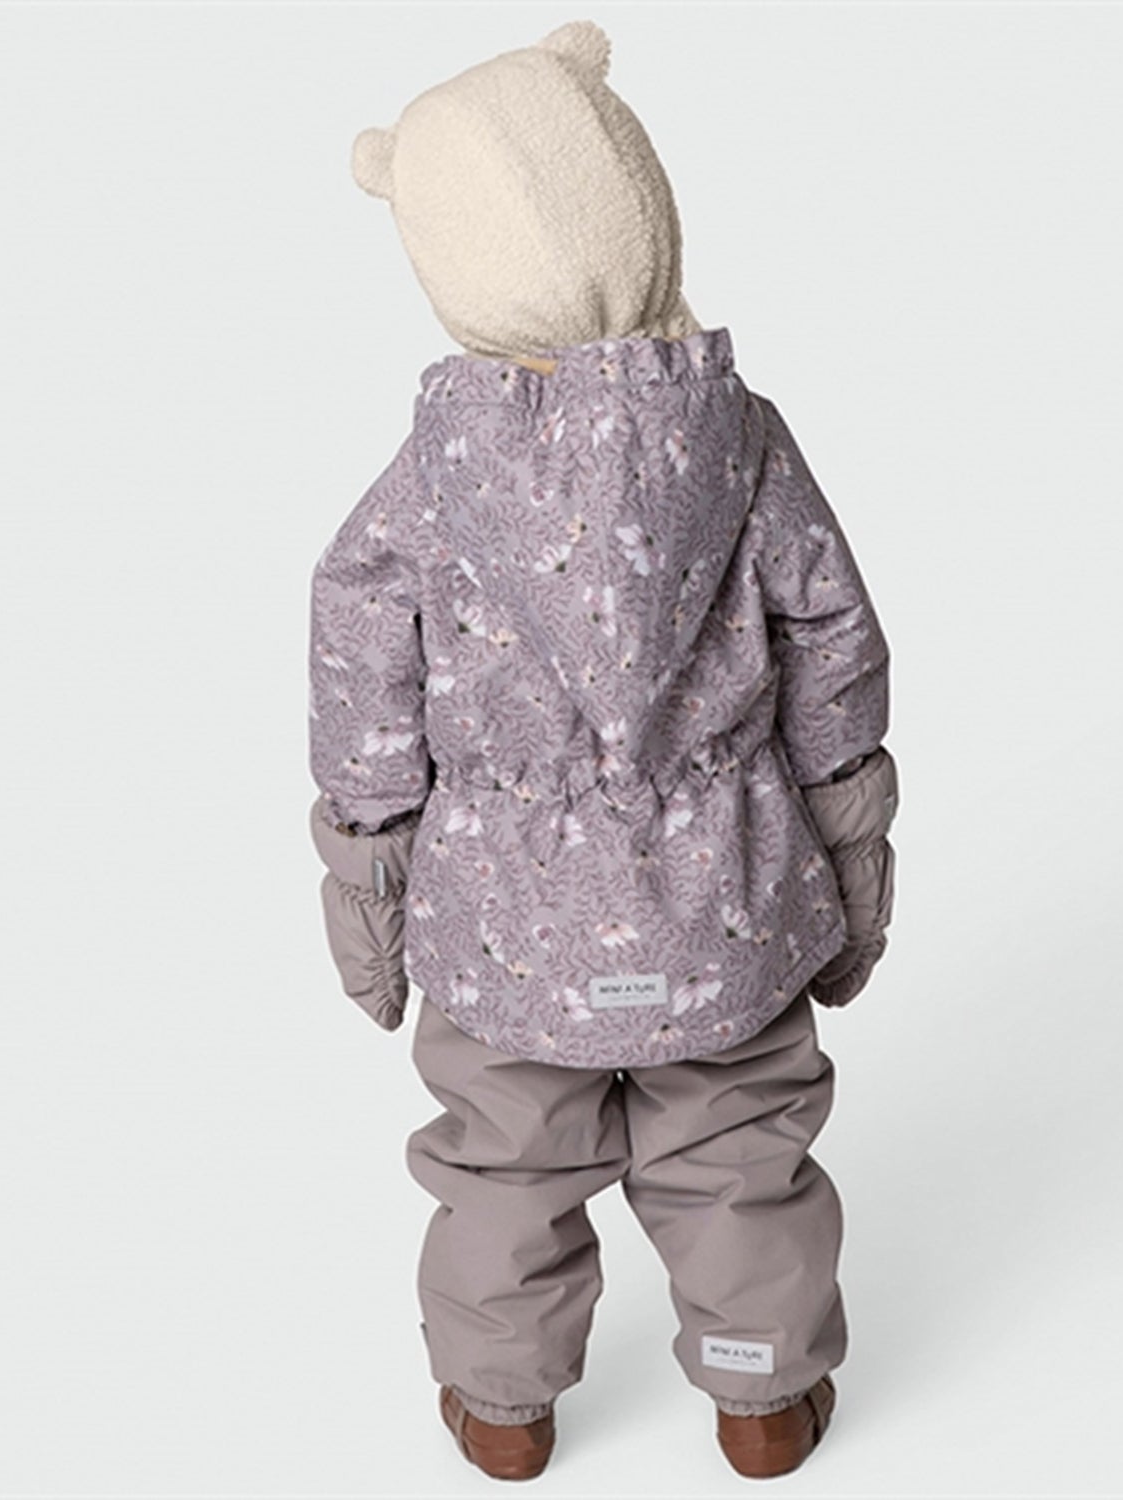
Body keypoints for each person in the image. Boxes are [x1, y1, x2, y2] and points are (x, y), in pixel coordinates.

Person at [306, 19, 899, 1482]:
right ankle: (763, 1397)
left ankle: (503, 1408)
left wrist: (370, 889)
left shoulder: (428, 481)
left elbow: (362, 679)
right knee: (739, 1151)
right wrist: (851, 852)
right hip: (729, 902)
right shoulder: (745, 441)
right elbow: (834, 649)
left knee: (503, 1165)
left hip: (503, 927)